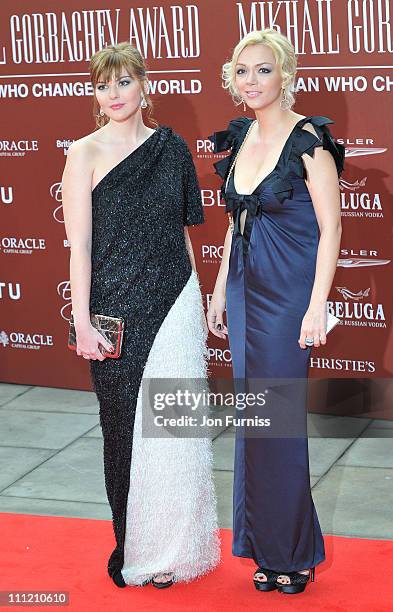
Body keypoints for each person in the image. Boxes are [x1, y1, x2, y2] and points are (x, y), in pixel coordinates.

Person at [62, 42, 220, 589]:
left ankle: (173, 548)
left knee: (172, 431)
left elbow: (182, 233)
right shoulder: (82, 153)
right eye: (104, 85)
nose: (114, 94)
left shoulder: (171, 148)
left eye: (124, 82)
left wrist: (196, 303)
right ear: (95, 93)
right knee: (123, 430)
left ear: (144, 85)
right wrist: (81, 320)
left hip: (173, 303)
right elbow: (79, 247)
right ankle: (133, 543)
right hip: (111, 310)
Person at [207, 29, 344, 595]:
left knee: (281, 422)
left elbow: (333, 229)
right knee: (254, 423)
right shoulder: (239, 139)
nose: (252, 81)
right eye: (242, 71)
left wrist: (318, 305)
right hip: (242, 287)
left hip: (289, 293)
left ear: (284, 75)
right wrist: (218, 289)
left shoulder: (308, 139)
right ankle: (264, 546)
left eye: (263, 70)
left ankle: (294, 553)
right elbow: (234, 224)